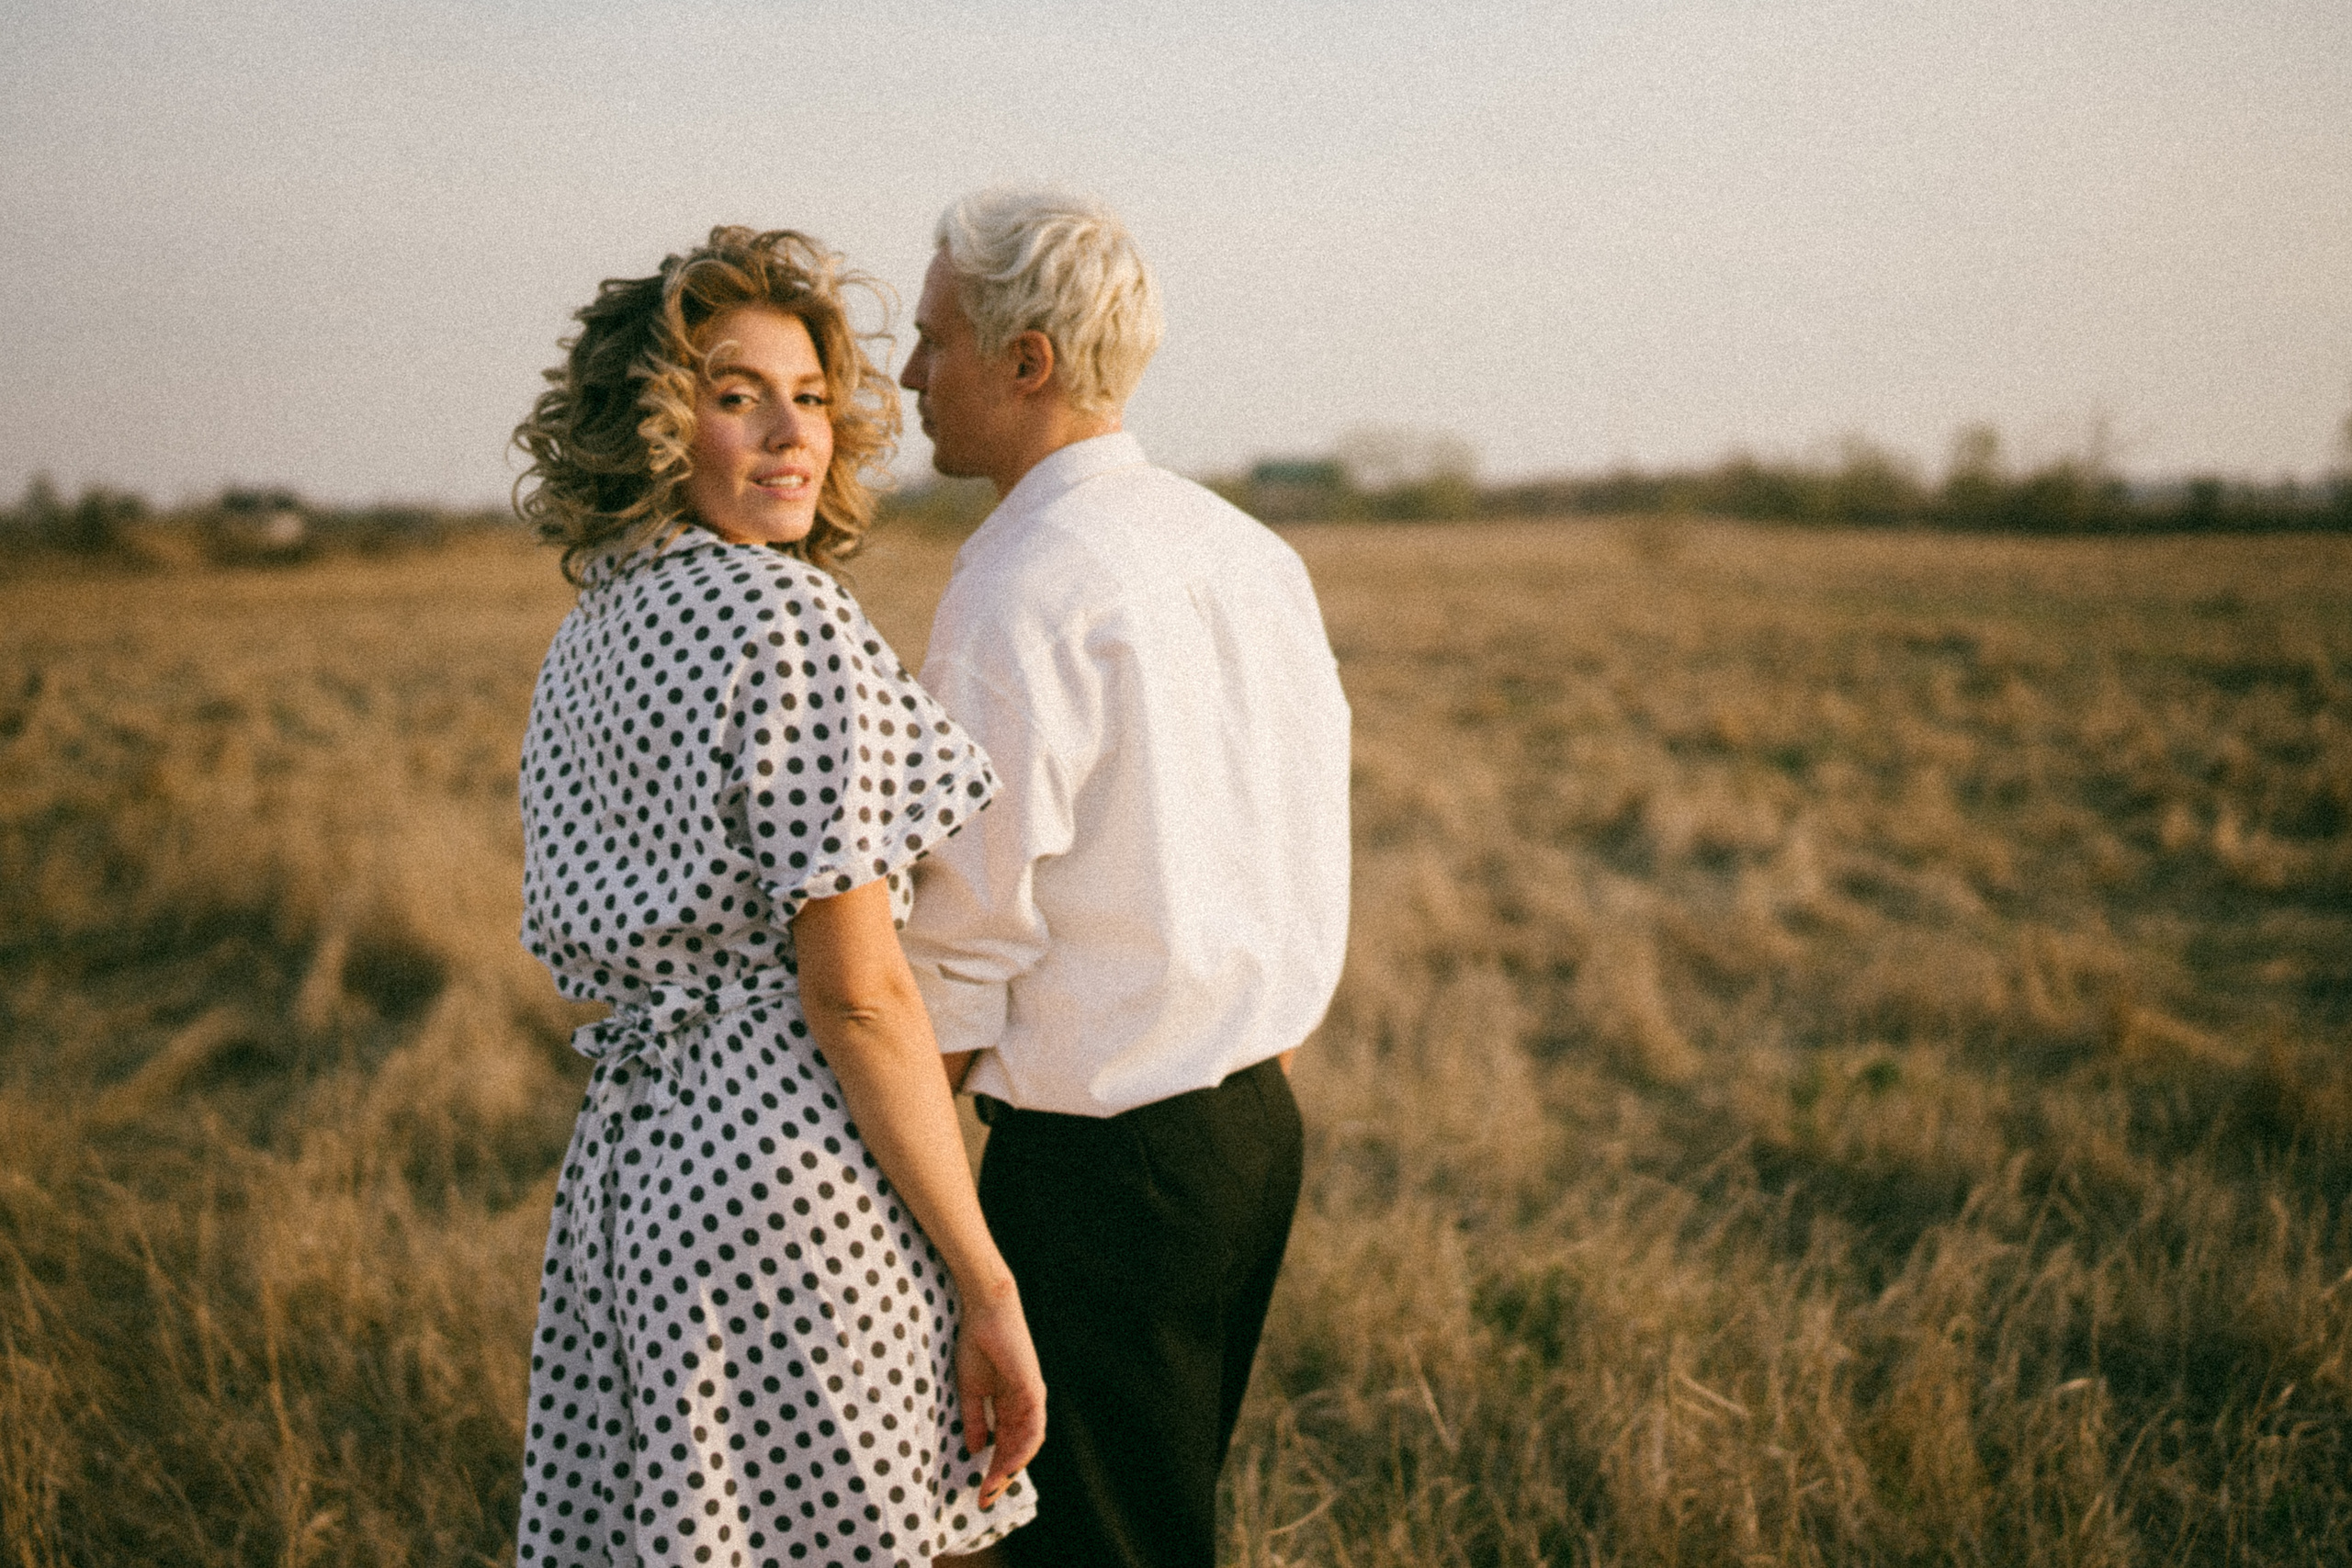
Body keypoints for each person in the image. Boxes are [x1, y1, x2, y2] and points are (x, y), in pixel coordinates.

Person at [509, 226, 1044, 1568]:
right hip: (789, 1173)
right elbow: (857, 995)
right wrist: (986, 1281)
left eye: (809, 396)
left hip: (635, 1176)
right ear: (652, 425)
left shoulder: (588, 632)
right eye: (736, 395)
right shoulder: (784, 618)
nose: (791, 433)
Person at [896, 189, 1352, 1568]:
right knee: (1151, 1529)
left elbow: (964, 931)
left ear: (1026, 362)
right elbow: (1302, 848)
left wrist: (891, 1176)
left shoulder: (1022, 583)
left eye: (934, 341)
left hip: (1106, 1171)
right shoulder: (1248, 552)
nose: (909, 375)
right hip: (1251, 1135)